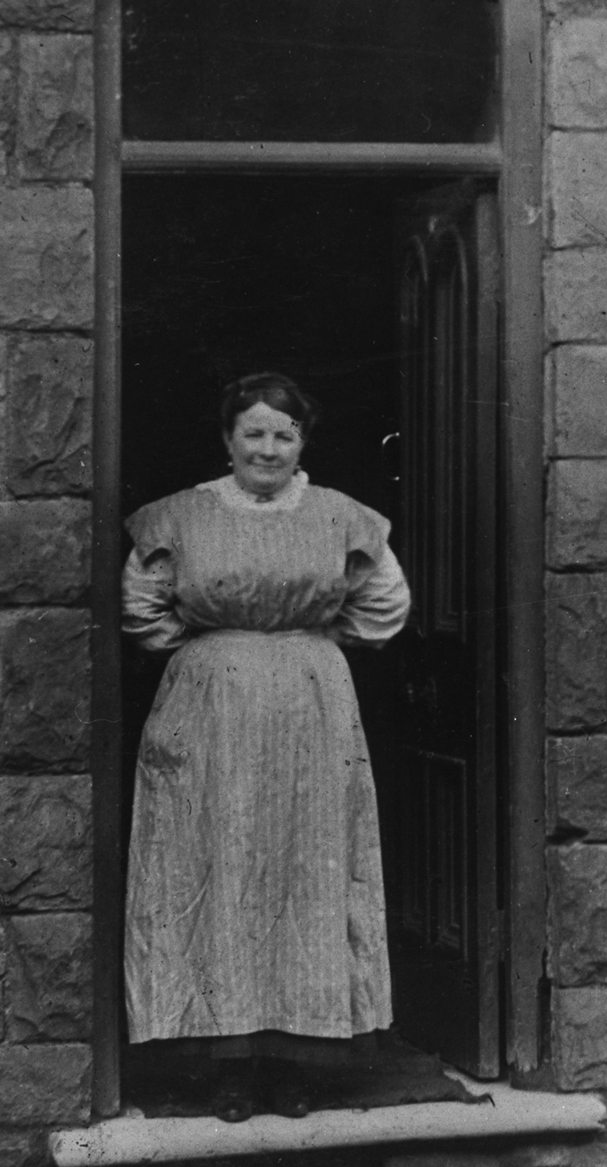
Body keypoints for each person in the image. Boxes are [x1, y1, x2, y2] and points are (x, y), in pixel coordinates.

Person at [121, 372, 411, 1120]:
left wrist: (303, 647)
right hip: (208, 710)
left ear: (302, 443)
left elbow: (383, 606)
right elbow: (142, 608)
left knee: (305, 870)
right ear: (227, 439)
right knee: (217, 866)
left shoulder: (340, 517)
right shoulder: (181, 517)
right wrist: (218, 652)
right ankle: (226, 1063)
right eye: (253, 432)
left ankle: (297, 1064)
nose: (268, 448)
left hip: (313, 711)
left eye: (284, 434)